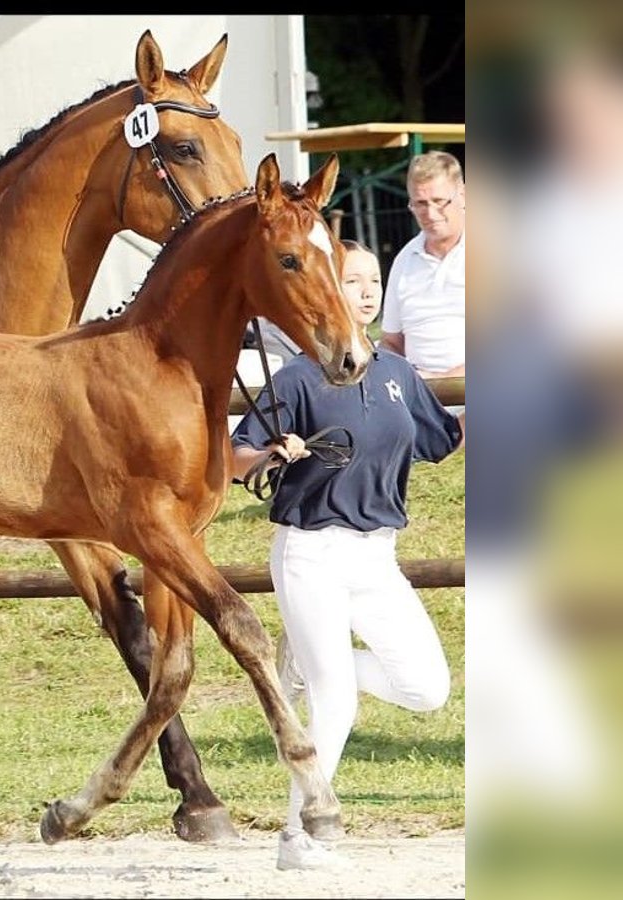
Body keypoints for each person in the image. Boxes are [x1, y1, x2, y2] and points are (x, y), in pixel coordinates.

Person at [230, 239, 465, 871]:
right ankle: (298, 836)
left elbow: (444, 437)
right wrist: (274, 451)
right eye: (352, 280)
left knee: (427, 689)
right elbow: (234, 457)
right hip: (311, 553)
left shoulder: (397, 374)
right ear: (329, 287)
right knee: (338, 700)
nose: (364, 291)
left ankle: (304, 668)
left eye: (371, 281)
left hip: (375, 558)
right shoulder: (300, 376)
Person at [379, 151, 465, 379]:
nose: (429, 213)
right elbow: (391, 342)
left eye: (439, 201)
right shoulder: (404, 261)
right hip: (418, 401)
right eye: (420, 204)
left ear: (464, 196)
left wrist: (442, 381)